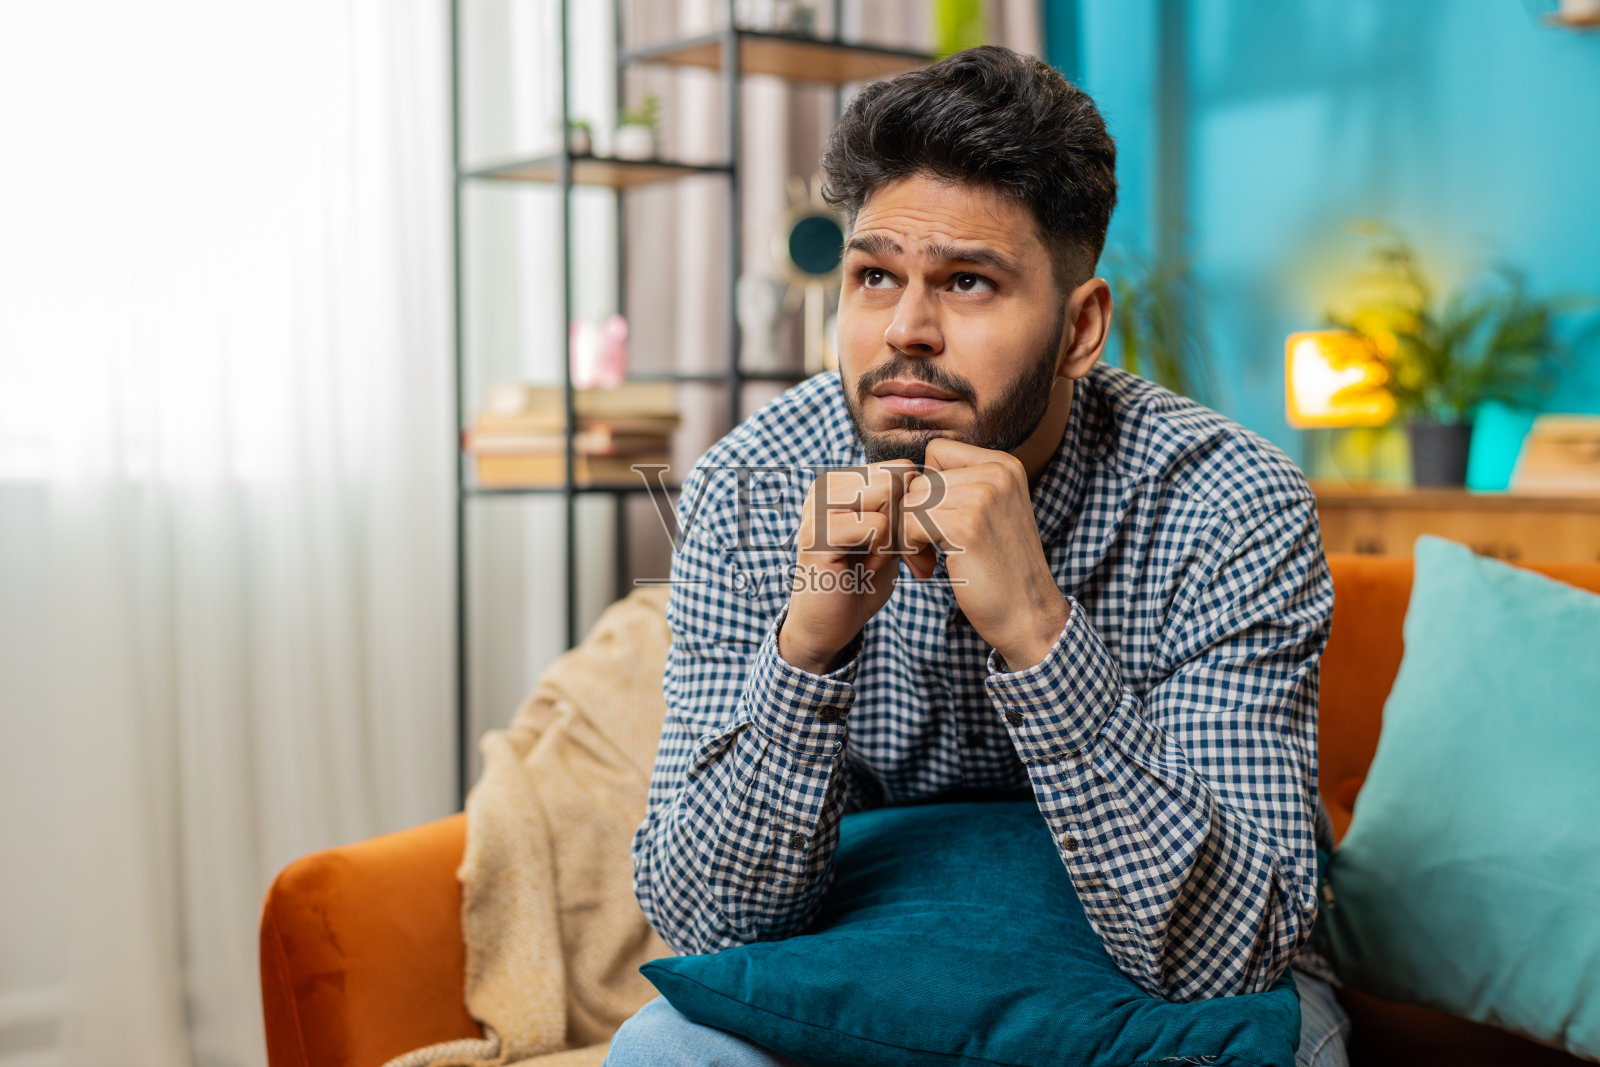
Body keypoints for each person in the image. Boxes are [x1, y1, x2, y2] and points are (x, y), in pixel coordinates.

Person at [605, 43, 1350, 1067]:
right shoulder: (750, 485)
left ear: (1081, 327)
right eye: (874, 276)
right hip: (868, 957)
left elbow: (1225, 953)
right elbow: (708, 920)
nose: (906, 330)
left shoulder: (1230, 502)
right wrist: (807, 649)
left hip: (1148, 984)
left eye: (967, 281)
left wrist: (1040, 632)